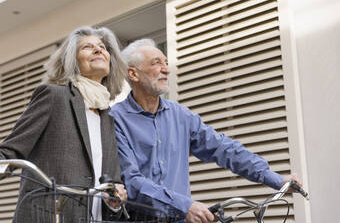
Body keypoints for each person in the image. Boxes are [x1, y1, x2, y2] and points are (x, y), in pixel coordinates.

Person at [109, 39, 302, 223]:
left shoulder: (181, 116)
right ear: (133, 74)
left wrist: (276, 179)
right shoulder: (115, 119)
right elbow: (132, 181)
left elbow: (224, 148)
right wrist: (185, 206)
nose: (166, 69)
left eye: (166, 62)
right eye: (156, 63)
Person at [0, 26, 127, 222]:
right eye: (87, 47)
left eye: (102, 47)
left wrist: (115, 201)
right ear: (72, 61)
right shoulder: (54, 96)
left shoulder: (109, 118)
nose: (98, 50)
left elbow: (112, 183)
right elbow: (12, 150)